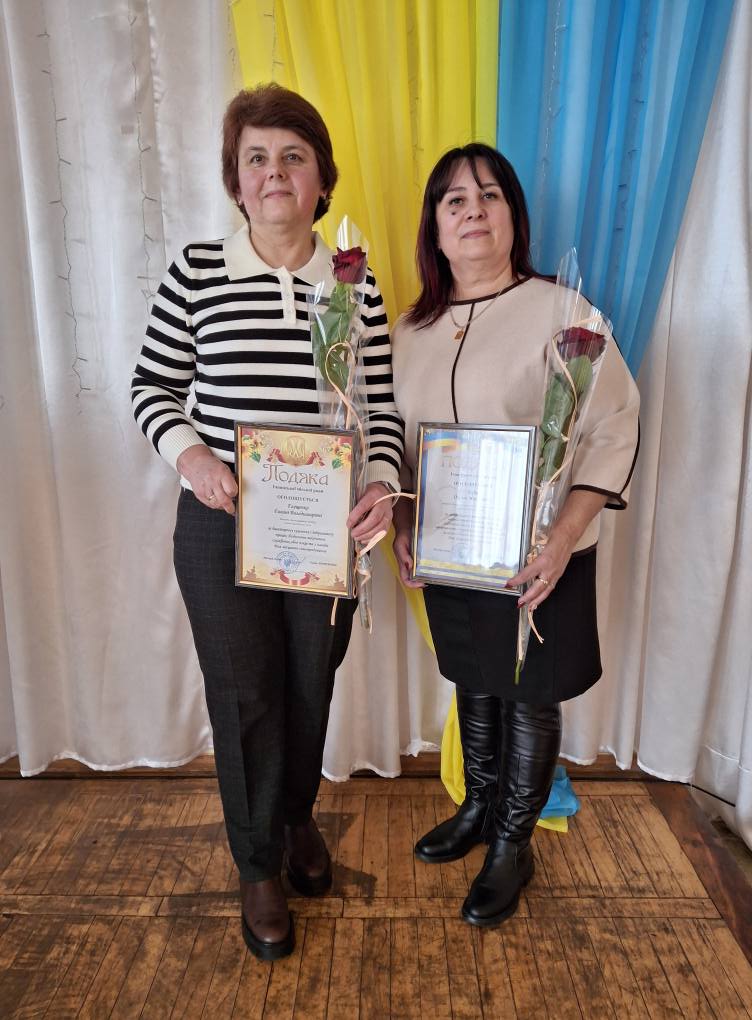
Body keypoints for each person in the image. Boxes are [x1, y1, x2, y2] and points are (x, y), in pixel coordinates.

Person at [131, 84, 403, 960]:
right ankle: (256, 866)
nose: (274, 172)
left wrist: (382, 486)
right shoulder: (197, 270)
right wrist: (194, 460)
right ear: (235, 181)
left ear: (321, 179)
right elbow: (151, 387)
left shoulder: (356, 284)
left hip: (328, 527)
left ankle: (294, 819)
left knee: (309, 684)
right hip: (223, 525)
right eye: (256, 158)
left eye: (292, 156)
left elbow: (383, 411)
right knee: (244, 693)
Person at [391, 143, 639, 927]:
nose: (473, 211)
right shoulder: (410, 330)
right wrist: (403, 522)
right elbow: (395, 441)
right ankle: (479, 807)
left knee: (530, 692)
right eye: (455, 201)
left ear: (514, 217)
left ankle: (512, 842)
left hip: (541, 554)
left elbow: (612, 426)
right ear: (435, 227)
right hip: (452, 551)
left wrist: (565, 536)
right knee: (475, 678)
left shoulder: (564, 313)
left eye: (489, 196)